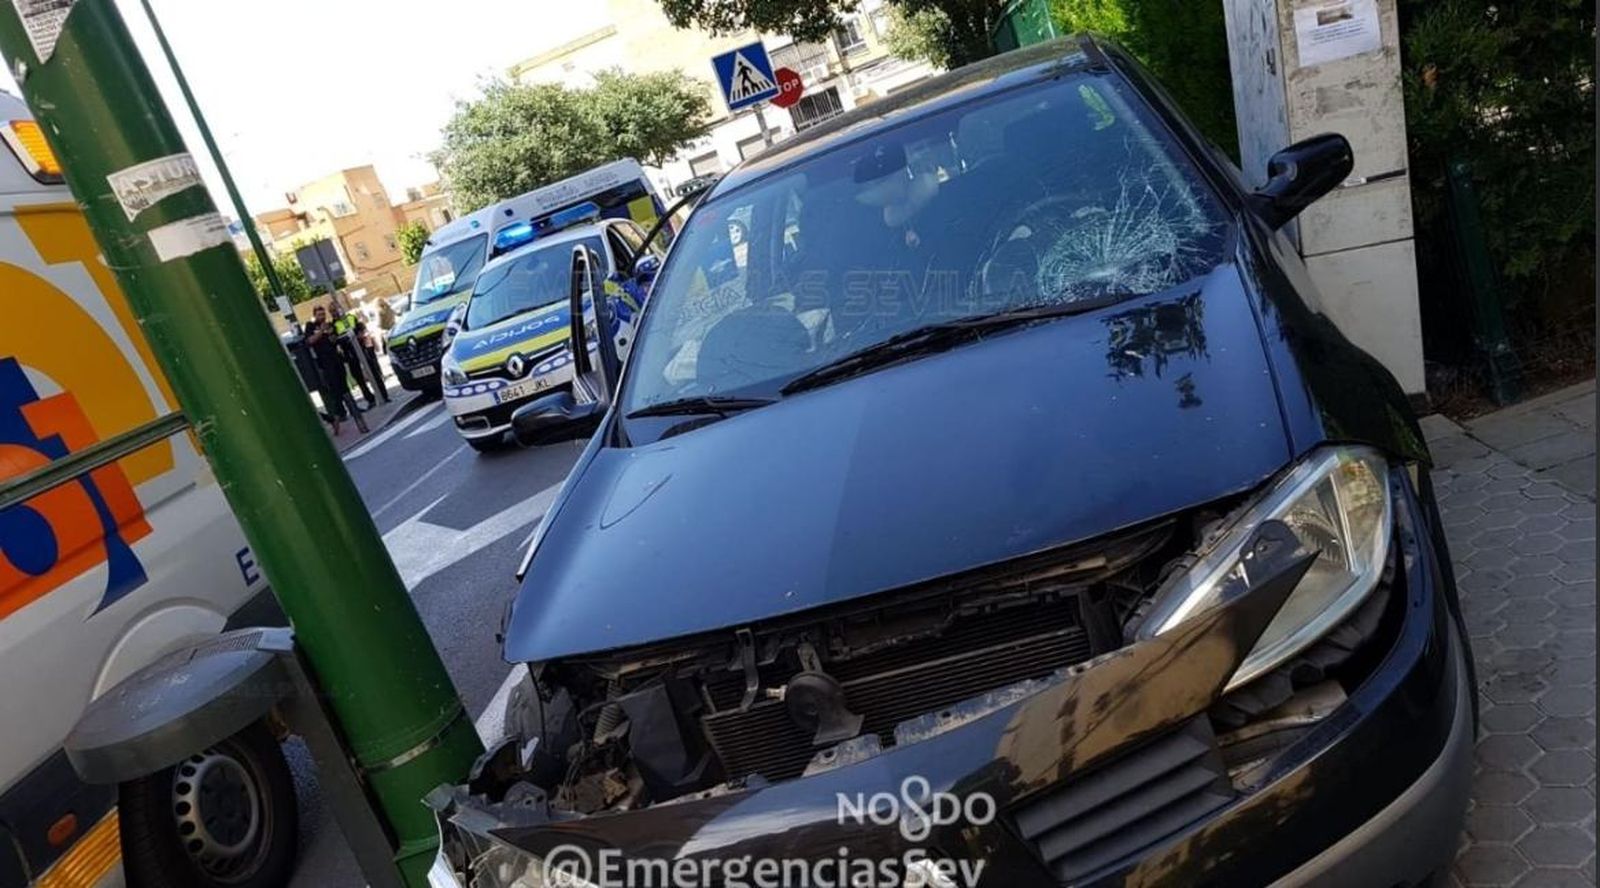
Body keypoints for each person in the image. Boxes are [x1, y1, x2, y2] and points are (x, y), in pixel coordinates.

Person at [303, 305, 351, 435]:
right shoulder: (311, 326)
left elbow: (335, 341)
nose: (322, 317)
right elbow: (309, 341)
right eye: (319, 315)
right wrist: (320, 332)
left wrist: (331, 334)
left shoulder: (330, 325)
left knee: (343, 384)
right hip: (324, 361)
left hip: (335, 358)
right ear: (314, 315)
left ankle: (350, 409)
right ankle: (339, 413)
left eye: (323, 314)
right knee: (334, 387)